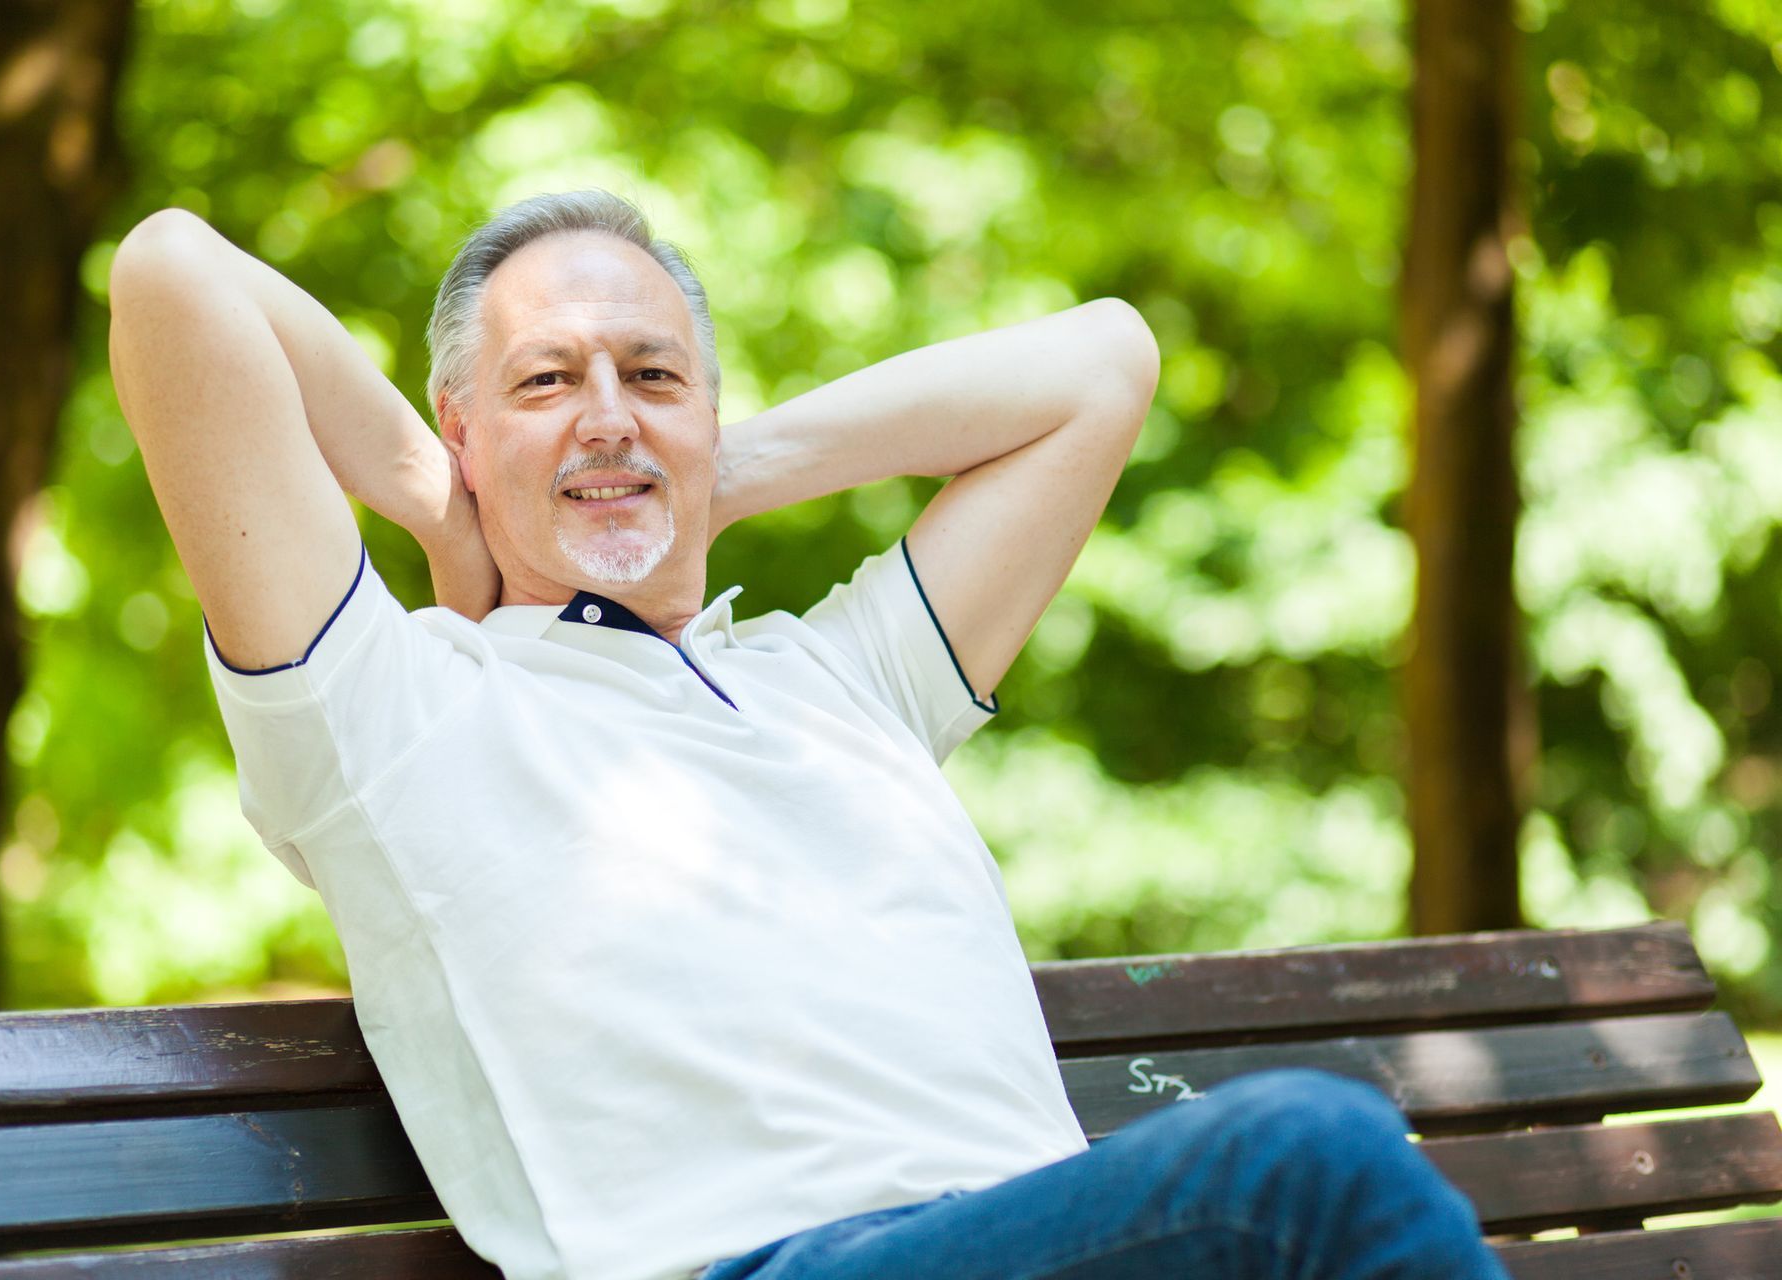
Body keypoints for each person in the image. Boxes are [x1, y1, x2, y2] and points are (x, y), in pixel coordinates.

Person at [106, 189, 1510, 1280]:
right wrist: (438, 503)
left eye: (655, 376)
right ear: (462, 426)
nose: (607, 418)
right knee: (1311, 1163)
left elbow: (1104, 362)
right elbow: (175, 272)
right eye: (546, 385)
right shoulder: (395, 707)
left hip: (1024, 1238)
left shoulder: (843, 680)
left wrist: (714, 470)